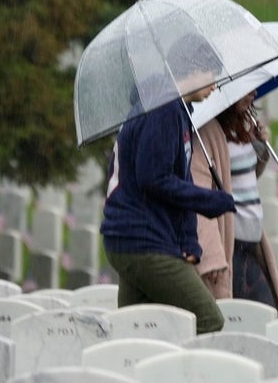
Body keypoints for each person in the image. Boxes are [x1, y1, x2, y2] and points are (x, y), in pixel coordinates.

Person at [100, 35, 236, 334]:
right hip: (142, 238)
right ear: (191, 69)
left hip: (134, 237)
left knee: (137, 330)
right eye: (211, 73)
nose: (215, 84)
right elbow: (155, 178)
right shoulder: (161, 107)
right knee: (208, 320)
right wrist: (208, 201)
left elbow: (177, 176)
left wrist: (188, 240)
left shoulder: (172, 106)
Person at [190, 90, 278, 315]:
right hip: (231, 244)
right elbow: (200, 196)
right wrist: (212, 255)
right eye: (245, 89)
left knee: (264, 317)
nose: (253, 92)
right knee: (249, 319)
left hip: (252, 243)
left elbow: (246, 177)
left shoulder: (242, 128)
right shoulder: (207, 135)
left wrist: (259, 146)